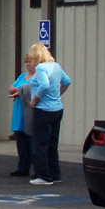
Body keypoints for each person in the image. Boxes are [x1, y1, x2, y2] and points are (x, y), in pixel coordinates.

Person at [27, 43, 71, 186]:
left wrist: (35, 99)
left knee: (40, 144)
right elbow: (67, 81)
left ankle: (44, 176)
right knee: (52, 144)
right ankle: (55, 173)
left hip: (43, 109)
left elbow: (44, 85)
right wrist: (57, 94)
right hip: (57, 109)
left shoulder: (41, 68)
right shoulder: (56, 66)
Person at [8, 53, 36, 178]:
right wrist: (14, 90)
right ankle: (22, 167)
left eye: (30, 62)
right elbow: (12, 87)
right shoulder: (22, 76)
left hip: (29, 110)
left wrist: (19, 91)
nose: (28, 64)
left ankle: (36, 167)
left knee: (31, 142)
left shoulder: (37, 77)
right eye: (26, 62)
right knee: (21, 142)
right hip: (19, 110)